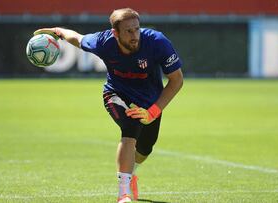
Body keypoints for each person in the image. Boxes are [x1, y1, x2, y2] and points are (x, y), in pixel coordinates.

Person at [34, 8, 183, 203]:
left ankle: (131, 173)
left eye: (136, 29)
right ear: (116, 33)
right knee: (130, 127)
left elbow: (177, 80)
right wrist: (58, 31)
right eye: (128, 31)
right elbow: (77, 39)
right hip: (116, 94)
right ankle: (124, 194)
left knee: (145, 149)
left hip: (149, 101)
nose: (134, 35)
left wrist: (153, 111)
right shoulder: (103, 42)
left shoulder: (157, 42)